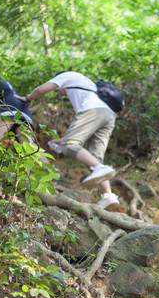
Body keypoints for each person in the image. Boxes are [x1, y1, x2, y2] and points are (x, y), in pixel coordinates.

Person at [20, 70, 120, 211]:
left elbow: (41, 89)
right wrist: (64, 140)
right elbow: (82, 131)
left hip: (94, 110)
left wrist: (28, 98)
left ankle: (101, 169)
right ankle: (108, 196)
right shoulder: (85, 85)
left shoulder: (67, 75)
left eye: (57, 90)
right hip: (108, 115)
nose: (58, 93)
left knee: (70, 146)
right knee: (94, 158)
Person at [0, 62, 48, 164]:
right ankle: (51, 174)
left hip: (8, 108)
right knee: (29, 145)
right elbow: (15, 96)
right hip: (23, 109)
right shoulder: (4, 81)